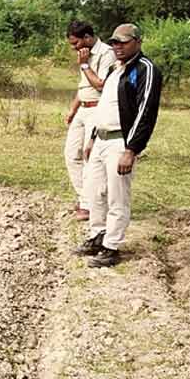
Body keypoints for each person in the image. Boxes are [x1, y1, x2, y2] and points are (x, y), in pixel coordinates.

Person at [77, 24, 162, 268]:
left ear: (137, 41)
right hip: (102, 139)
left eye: (123, 42)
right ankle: (97, 235)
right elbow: (105, 106)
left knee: (117, 196)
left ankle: (111, 246)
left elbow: (146, 112)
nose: (118, 47)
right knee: (93, 191)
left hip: (120, 142)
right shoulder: (116, 70)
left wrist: (131, 149)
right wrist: (93, 137)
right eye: (114, 42)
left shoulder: (145, 70)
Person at [64, 21, 116, 221]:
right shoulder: (83, 55)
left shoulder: (106, 54)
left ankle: (88, 205)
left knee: (90, 157)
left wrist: (85, 65)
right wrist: (73, 109)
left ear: (87, 37)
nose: (74, 48)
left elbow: (101, 85)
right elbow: (84, 85)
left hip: (97, 109)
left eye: (75, 43)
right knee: (71, 154)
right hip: (83, 109)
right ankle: (84, 197)